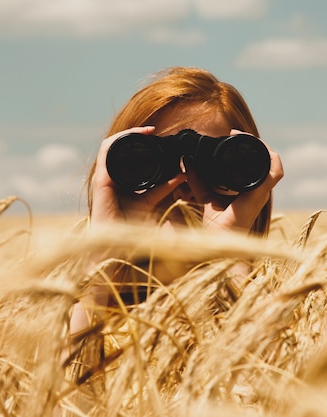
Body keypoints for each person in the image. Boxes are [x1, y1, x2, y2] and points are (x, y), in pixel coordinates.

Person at [68, 66, 284, 337]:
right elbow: (70, 377)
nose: (184, 188)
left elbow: (264, 374)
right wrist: (104, 254)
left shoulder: (290, 310)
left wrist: (228, 251)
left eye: (216, 166)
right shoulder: (58, 312)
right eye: (143, 162)